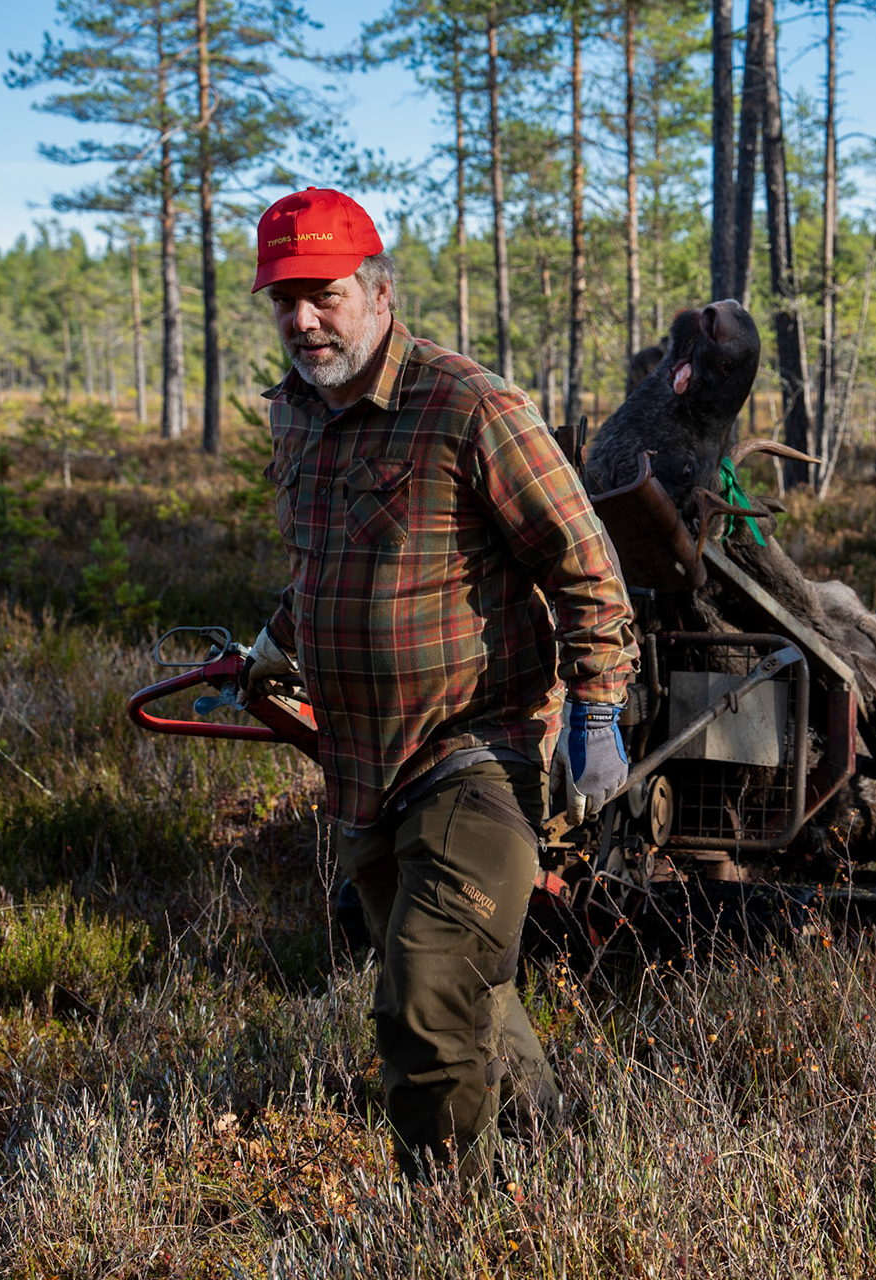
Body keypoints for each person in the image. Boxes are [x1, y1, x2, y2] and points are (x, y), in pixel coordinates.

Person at [240, 186, 638, 1178]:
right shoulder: (294, 416)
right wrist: (273, 639)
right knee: (468, 988)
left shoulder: (468, 405)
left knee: (422, 996)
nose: (302, 320)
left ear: (378, 289)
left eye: (323, 294)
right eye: (282, 300)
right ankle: (555, 1162)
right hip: (360, 766)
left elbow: (585, 564)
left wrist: (596, 713)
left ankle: (446, 1217)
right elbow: (322, 560)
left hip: (475, 750)